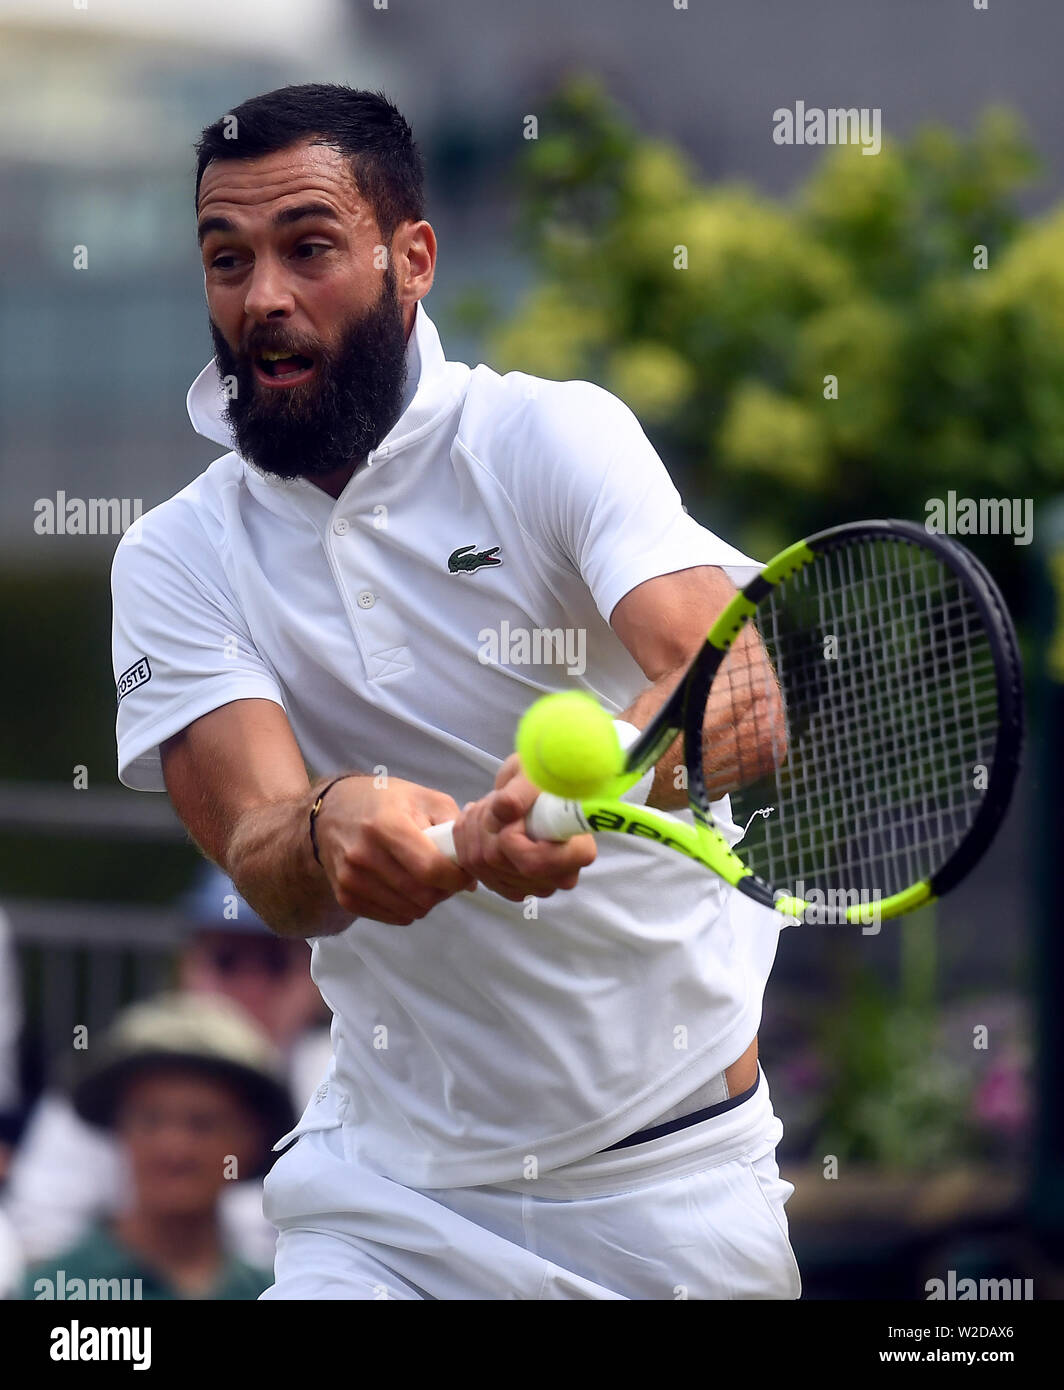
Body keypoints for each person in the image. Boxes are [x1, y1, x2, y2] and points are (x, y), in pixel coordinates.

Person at [110, 83, 799, 1300]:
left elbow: (734, 687)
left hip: (677, 1188)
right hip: (387, 1201)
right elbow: (260, 848)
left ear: (410, 256)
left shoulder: (550, 436)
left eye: (307, 247)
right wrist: (335, 824)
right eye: (228, 258)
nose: (261, 295)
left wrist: (594, 775)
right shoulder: (173, 556)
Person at [3, 867, 328, 1268]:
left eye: (275, 963)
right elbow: (42, 1234)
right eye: (226, 960)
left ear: (316, 976)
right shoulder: (115, 1064)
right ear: (186, 965)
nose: (250, 984)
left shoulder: (343, 1083)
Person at [20, 994, 292, 1300]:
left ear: (251, 1140)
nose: (174, 1149)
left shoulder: (277, 1290)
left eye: (202, 1123)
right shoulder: (58, 1290)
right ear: (119, 1130)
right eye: (150, 1120)